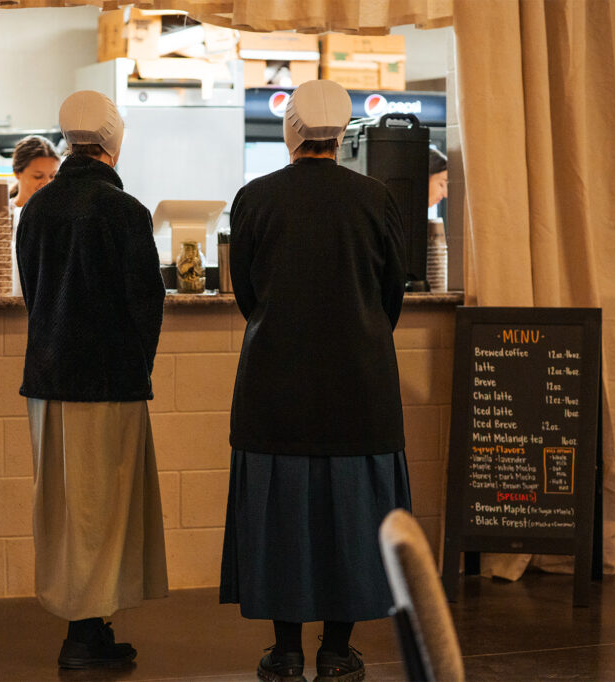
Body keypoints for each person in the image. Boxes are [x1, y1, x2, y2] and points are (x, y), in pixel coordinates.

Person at [220, 80, 412, 682]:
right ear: (344, 133)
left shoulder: (254, 198)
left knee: (283, 519)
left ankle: (285, 651)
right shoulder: (376, 198)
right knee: (351, 519)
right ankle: (337, 650)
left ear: (291, 130)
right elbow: (392, 295)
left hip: (274, 384)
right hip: (360, 385)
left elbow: (247, 295)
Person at [15, 91, 168, 671]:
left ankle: (88, 625)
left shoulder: (38, 210)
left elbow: (33, 292)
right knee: (105, 510)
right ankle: (84, 633)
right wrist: (138, 366)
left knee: (63, 508)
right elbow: (145, 302)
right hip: (108, 380)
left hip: (47, 379)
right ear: (112, 141)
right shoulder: (125, 212)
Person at [8, 135, 60, 296]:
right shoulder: (0, 216)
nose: (47, 183)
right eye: (38, 176)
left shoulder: (62, 216)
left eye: (53, 176)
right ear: (17, 173)